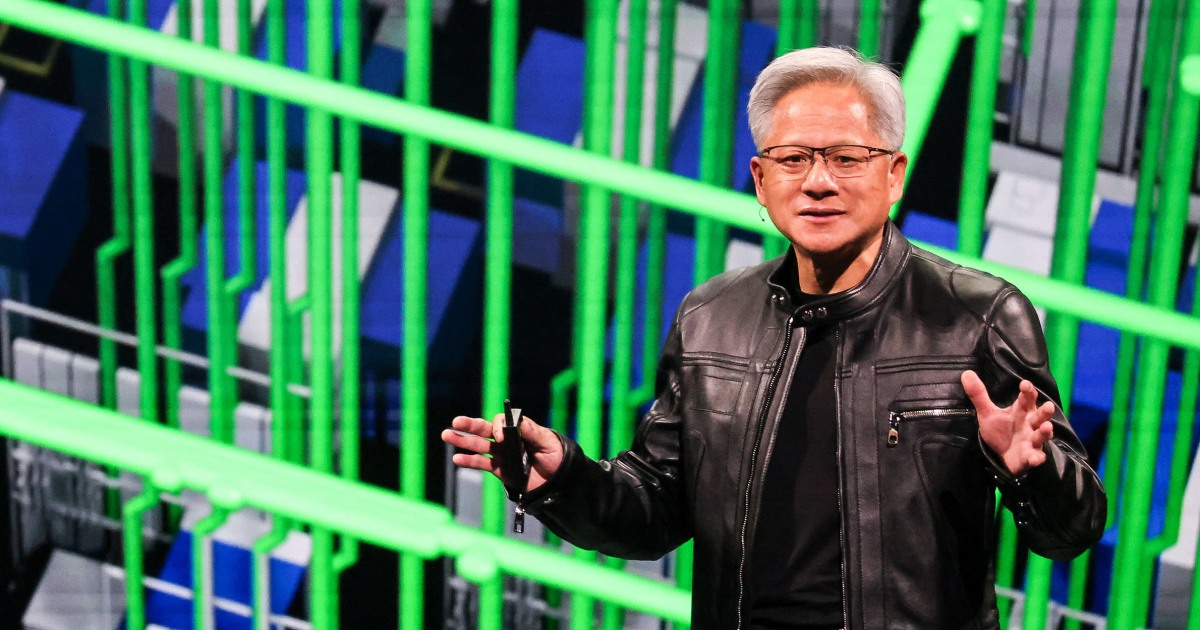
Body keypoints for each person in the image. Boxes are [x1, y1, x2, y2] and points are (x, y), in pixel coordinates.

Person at [441, 47, 1106, 629]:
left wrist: (1032, 471)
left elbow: (1072, 531)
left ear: (894, 175)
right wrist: (564, 478)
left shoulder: (976, 315)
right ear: (762, 181)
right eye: (793, 159)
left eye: (846, 158)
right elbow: (656, 510)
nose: (817, 181)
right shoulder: (711, 317)